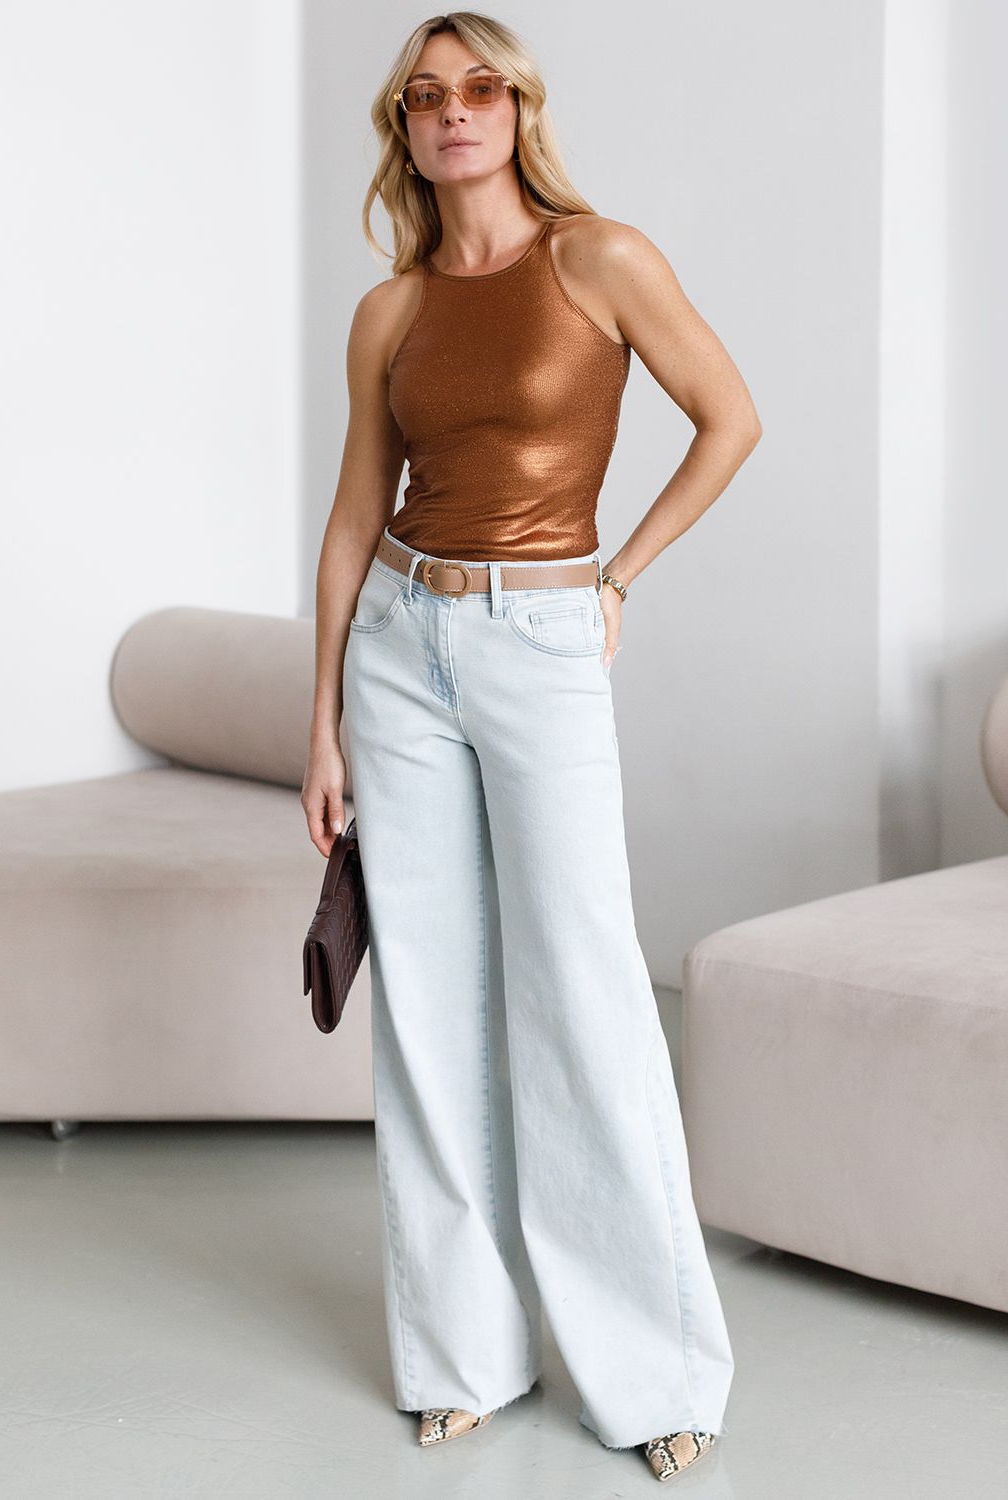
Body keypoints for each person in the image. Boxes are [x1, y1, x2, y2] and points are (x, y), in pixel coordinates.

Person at [302, 10, 761, 1485]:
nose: (456, 111)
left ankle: (655, 1373)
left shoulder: (599, 259)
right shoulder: (389, 312)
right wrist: (322, 721)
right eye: (426, 95)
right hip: (400, 645)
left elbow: (730, 419)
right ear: (405, 127)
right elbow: (353, 515)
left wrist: (617, 577)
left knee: (584, 988)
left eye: (481, 87)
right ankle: (462, 1357)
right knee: (432, 1010)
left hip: (543, 633)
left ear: (519, 111)